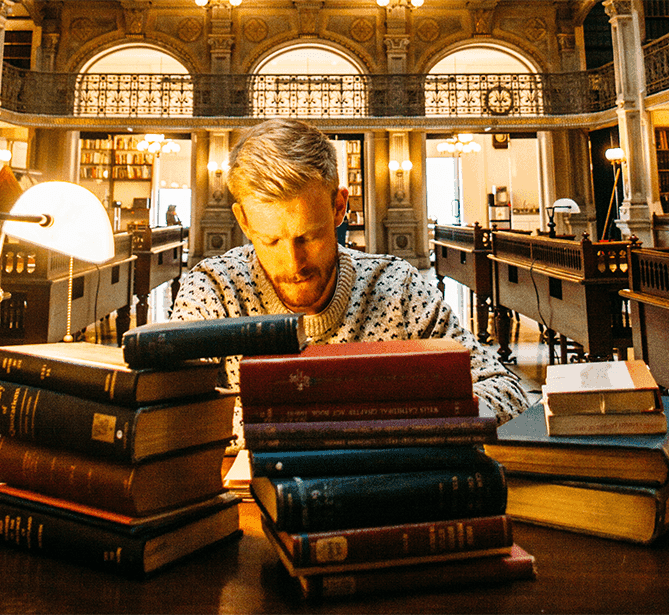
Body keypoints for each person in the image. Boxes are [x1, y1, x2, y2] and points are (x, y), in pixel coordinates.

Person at [169, 119, 526, 447]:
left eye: (309, 236)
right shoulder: (213, 289)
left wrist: (391, 421)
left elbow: (506, 393)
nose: (295, 264)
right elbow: (170, 417)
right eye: (272, 241)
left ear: (340, 207)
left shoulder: (397, 288)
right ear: (244, 221)